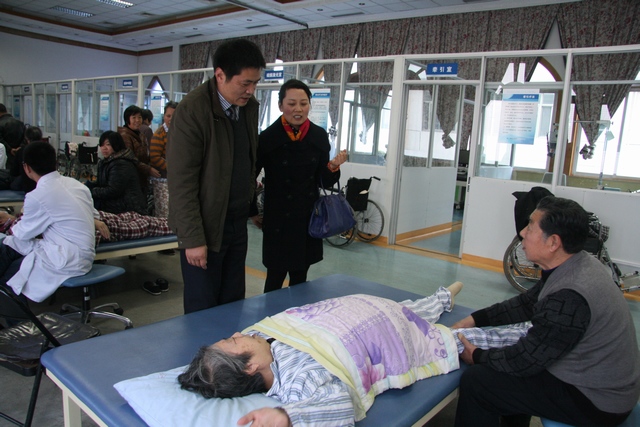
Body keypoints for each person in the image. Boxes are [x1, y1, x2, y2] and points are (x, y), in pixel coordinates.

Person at [178, 282, 530, 427]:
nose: (239, 333)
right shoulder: (298, 381)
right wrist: (286, 417)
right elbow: (338, 406)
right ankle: (531, 332)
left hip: (361, 310)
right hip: (386, 334)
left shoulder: (265, 338)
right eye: (234, 341)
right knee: (448, 337)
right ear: (251, 367)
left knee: (410, 309)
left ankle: (440, 299)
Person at [453, 196, 640, 427]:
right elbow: (527, 304)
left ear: (553, 242)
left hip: (596, 402)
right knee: (507, 378)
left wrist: (477, 356)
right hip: (603, 385)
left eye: (531, 226)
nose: (522, 232)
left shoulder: (570, 296)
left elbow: (525, 360)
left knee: (478, 382)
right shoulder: (577, 264)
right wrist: (474, 319)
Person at [167, 38, 266, 314]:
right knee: (203, 308)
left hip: (236, 224)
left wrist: (250, 207)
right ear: (220, 75)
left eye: (255, 83)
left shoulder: (247, 107)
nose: (250, 90)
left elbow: (247, 162)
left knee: (232, 303)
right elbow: (181, 183)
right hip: (205, 228)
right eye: (245, 83)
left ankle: (229, 346)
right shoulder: (192, 111)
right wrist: (193, 239)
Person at [250, 79, 348, 293]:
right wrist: (252, 211)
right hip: (277, 217)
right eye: (292, 103)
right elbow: (250, 177)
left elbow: (324, 181)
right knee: (274, 276)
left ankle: (297, 314)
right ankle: (271, 313)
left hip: (307, 217)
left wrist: (333, 167)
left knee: (300, 276)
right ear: (280, 106)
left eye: (303, 103)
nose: (298, 109)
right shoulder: (267, 138)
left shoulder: (318, 136)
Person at [0, 141, 97, 303]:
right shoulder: (77, 186)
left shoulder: (37, 195)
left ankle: (14, 314)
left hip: (65, 259)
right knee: (8, 248)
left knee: (9, 266)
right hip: (83, 255)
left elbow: (22, 233)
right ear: (56, 162)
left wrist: (9, 219)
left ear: (27, 167)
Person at [86, 130, 148, 215]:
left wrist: (90, 191)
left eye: (108, 145)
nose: (104, 148)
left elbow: (113, 190)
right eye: (102, 145)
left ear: (116, 145)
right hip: (116, 206)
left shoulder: (121, 163)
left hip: (127, 210)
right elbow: (103, 183)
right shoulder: (106, 162)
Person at [118, 105, 161, 192]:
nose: (137, 120)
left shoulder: (141, 135)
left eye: (139, 117)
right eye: (134, 117)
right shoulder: (124, 136)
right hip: (130, 180)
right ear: (127, 119)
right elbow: (130, 159)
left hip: (141, 178)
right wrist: (148, 169)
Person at [9, 125, 43, 193]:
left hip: (27, 186)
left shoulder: (22, 151)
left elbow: (14, 172)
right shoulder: (47, 151)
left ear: (27, 139)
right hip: (43, 183)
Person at [150, 101, 178, 178]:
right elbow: (155, 157)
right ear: (164, 116)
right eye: (168, 116)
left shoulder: (181, 132)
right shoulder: (159, 134)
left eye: (174, 116)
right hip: (165, 174)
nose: (171, 119)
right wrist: (173, 168)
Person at [0, 103, 25, 171]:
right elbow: (25, 137)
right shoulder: (20, 123)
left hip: (6, 155)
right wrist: (20, 147)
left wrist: (10, 149)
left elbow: (0, 140)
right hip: (19, 154)